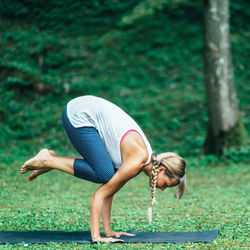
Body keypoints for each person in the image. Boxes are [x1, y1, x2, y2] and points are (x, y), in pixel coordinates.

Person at [20, 95, 186, 243]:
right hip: (79, 115)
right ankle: (48, 160)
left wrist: (108, 232)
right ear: (162, 170)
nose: (163, 189)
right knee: (103, 173)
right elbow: (99, 195)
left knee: (107, 174)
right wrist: (97, 237)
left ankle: (51, 159)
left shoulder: (141, 160)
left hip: (85, 109)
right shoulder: (137, 162)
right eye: (167, 184)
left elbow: (110, 191)